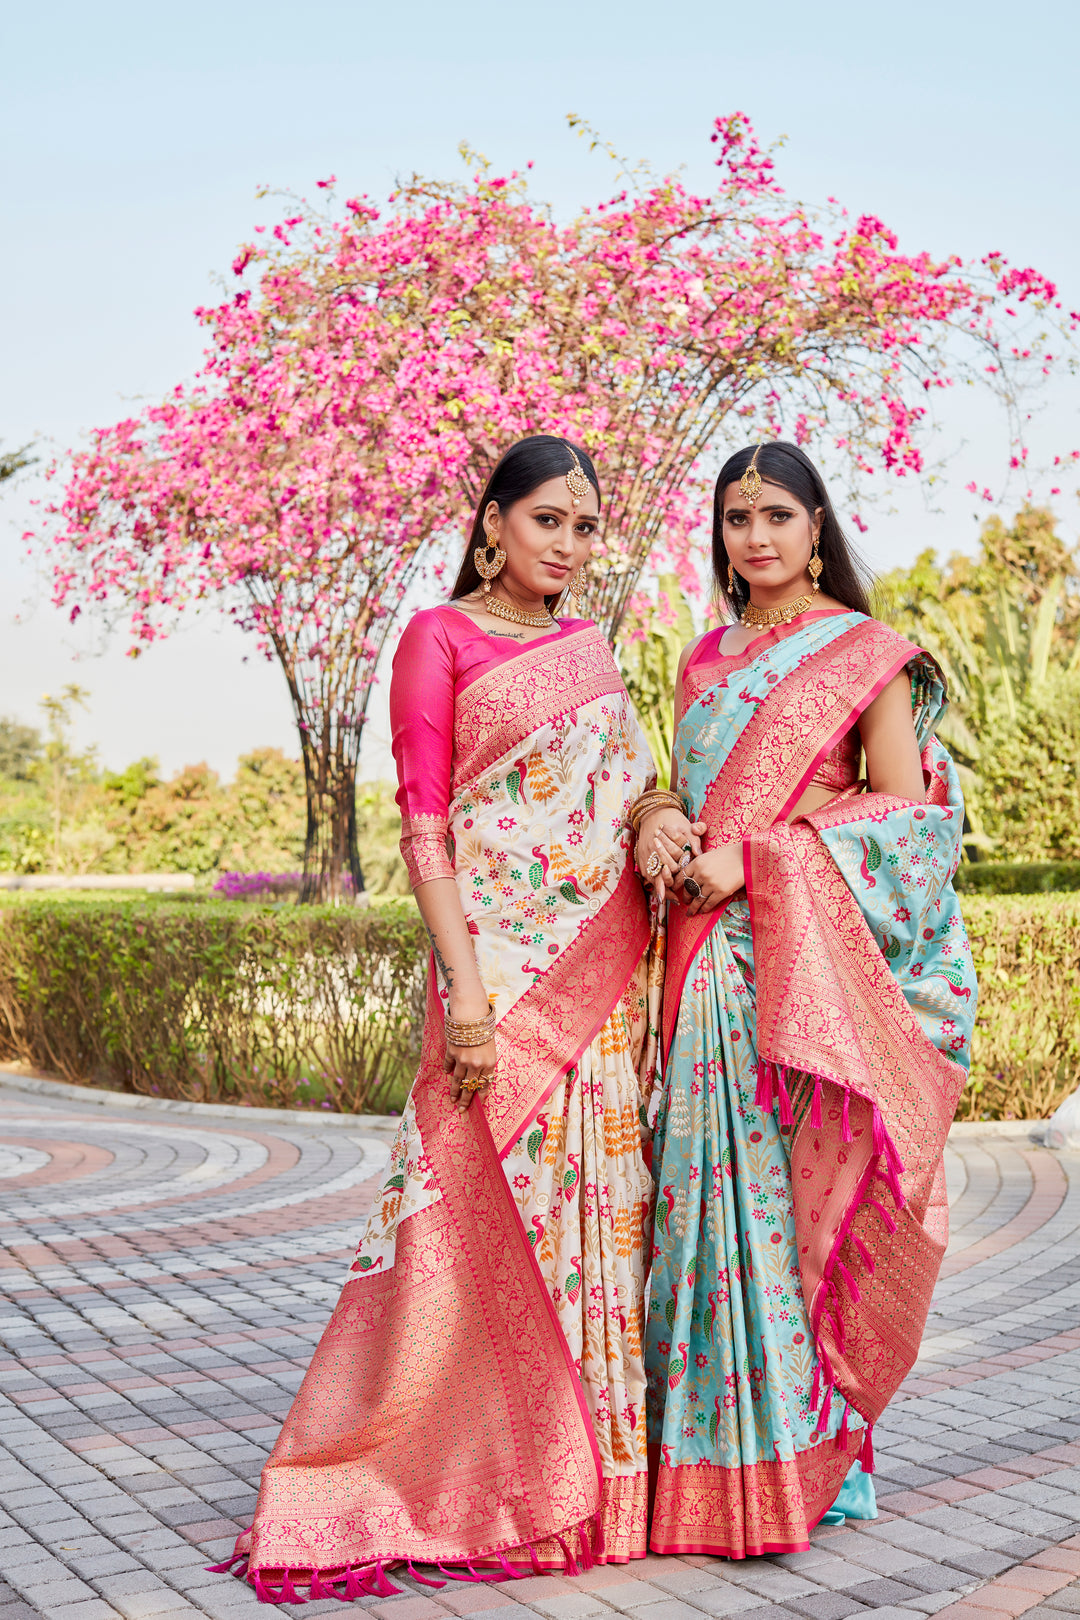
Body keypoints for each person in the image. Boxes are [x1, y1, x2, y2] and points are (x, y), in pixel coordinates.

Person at [219, 436, 659, 1601]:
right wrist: (465, 991)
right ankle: (470, 1475)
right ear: (493, 523)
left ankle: (598, 1490)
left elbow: (632, 789)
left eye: (582, 526)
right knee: (464, 1234)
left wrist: (663, 818)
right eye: (546, 521)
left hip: (602, 988)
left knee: (598, 1225)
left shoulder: (590, 646)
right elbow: (425, 830)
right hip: (496, 988)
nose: (565, 546)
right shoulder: (438, 639)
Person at [636, 441, 977, 1558]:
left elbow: (908, 826)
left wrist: (759, 861)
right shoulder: (701, 662)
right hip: (698, 969)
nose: (756, 536)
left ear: (818, 524)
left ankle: (805, 1458)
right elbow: (684, 794)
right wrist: (671, 826)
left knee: (788, 1218)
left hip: (802, 977)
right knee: (702, 1207)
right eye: (736, 517)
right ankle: (704, 1460)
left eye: (777, 513)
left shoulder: (866, 656)